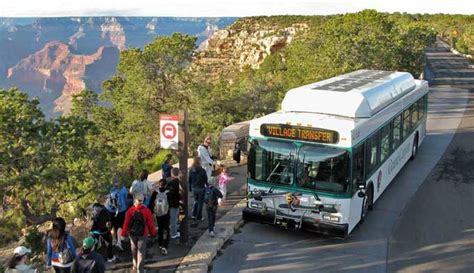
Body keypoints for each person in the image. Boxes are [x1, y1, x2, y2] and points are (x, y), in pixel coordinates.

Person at [121, 193, 156, 273]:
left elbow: (126, 223)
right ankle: (140, 270)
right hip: (143, 233)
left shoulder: (130, 210)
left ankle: (134, 266)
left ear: (135, 200)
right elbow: (150, 223)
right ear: (143, 201)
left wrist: (123, 234)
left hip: (132, 233)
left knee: (134, 249)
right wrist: (153, 233)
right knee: (141, 252)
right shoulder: (146, 211)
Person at [90, 195, 116, 263]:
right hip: (103, 230)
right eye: (105, 198)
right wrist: (110, 229)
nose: (106, 199)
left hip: (94, 229)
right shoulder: (105, 211)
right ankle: (110, 257)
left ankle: (92, 259)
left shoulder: (94, 206)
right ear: (103, 200)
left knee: (94, 244)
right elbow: (109, 221)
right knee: (109, 242)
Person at [105, 178, 128, 252]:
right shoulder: (123, 189)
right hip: (121, 210)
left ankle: (113, 240)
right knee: (119, 226)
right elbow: (125, 199)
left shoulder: (110, 189)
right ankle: (119, 242)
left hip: (110, 210)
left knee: (113, 224)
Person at [148, 179, 170, 255]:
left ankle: (160, 244)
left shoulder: (155, 193)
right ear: (166, 185)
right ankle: (164, 245)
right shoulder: (168, 193)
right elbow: (171, 203)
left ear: (159, 184)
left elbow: (150, 204)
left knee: (160, 228)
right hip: (166, 213)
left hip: (158, 214)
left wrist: (152, 212)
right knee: (166, 229)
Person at [188, 157, 208, 221]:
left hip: (194, 188)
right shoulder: (202, 170)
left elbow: (189, 180)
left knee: (195, 201)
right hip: (201, 187)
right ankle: (199, 216)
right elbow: (205, 179)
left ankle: (193, 214)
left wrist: (190, 188)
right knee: (200, 203)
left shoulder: (191, 170)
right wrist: (208, 185)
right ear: (199, 162)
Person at [167, 168, 181, 239]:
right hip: (174, 203)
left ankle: (172, 228)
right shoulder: (177, 182)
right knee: (174, 218)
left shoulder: (169, 181)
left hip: (169, 203)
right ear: (178, 173)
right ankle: (174, 233)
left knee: (171, 218)